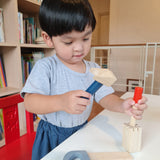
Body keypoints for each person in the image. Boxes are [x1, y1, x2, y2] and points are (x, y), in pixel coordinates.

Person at [21, 0, 148, 159]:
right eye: (69, 42)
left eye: (86, 38)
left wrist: (122, 105)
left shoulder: (93, 69)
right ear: (48, 38)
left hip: (81, 131)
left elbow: (105, 96)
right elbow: (30, 102)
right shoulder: (46, 67)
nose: (79, 48)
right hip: (52, 135)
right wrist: (61, 102)